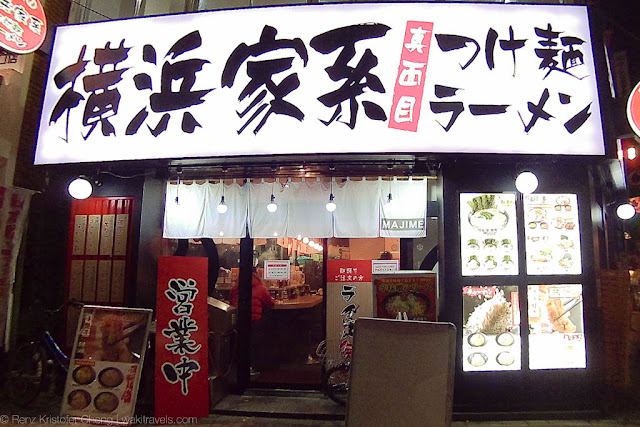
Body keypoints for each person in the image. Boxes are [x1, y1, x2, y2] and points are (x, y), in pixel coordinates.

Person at [229, 268, 275, 373]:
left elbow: (231, 302)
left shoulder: (235, 288)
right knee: (254, 343)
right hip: (255, 322)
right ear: (256, 275)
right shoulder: (261, 288)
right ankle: (254, 367)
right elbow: (270, 303)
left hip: (239, 320)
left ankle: (240, 368)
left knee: (241, 344)